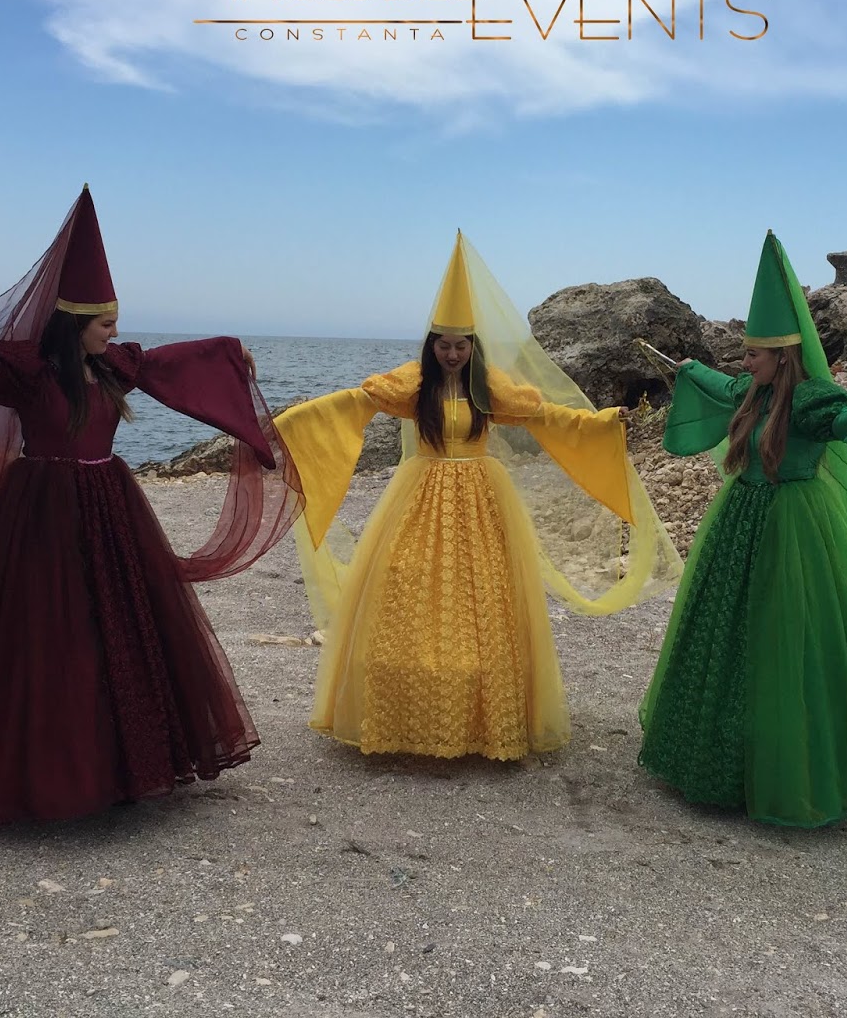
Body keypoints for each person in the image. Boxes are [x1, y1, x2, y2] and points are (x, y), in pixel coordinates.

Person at [0, 186, 301, 823]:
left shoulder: (114, 367)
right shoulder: (27, 371)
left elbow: (177, 366)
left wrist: (232, 355)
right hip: (40, 509)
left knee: (119, 624)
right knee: (43, 628)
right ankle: (43, 772)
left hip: (107, 501)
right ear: (74, 324)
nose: (115, 333)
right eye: (105, 324)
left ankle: (126, 766)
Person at [273, 231, 680, 761]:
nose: (451, 353)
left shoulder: (491, 387)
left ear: (473, 346)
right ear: (431, 345)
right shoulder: (412, 384)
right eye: (443, 344)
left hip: (481, 499)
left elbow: (547, 417)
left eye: (461, 345)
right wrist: (287, 425)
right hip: (420, 496)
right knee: (408, 585)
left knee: (484, 595)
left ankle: (482, 714)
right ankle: (408, 709)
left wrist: (602, 421)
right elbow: (351, 403)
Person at [637, 230, 847, 827]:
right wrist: (689, 368)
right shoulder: (752, 390)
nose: (744, 363)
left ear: (783, 355)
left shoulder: (810, 399)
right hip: (740, 518)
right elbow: (718, 385)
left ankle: (794, 766)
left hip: (793, 527)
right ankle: (718, 760)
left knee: (792, 637)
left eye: (754, 354)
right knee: (727, 633)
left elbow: (846, 421)